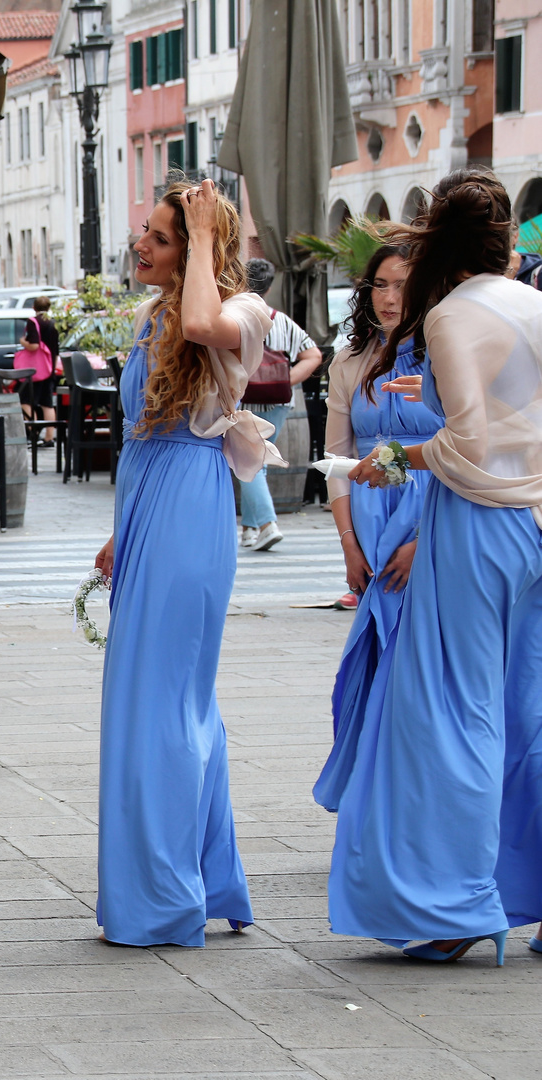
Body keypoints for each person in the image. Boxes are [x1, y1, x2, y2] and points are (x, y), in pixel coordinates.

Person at [330, 168, 542, 964]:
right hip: (536, 522)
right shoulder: (534, 303)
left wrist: (395, 455)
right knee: (527, 711)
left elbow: (465, 446)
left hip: (479, 523)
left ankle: (455, 907)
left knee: (454, 714)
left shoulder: (453, 316)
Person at [92, 179, 276, 946]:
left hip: (193, 506)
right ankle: (196, 877)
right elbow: (139, 434)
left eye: (160, 238)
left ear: (201, 247)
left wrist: (202, 237)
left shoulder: (241, 313)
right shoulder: (149, 314)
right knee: (158, 699)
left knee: (164, 700)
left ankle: (166, 896)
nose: (142, 244)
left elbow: (205, 322)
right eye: (148, 231)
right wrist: (117, 531)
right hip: (147, 505)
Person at [311, 237, 443, 812]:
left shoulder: (445, 352)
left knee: (418, 666)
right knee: (371, 658)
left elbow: (465, 448)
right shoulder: (350, 359)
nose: (390, 297)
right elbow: (336, 459)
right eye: (380, 284)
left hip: (434, 512)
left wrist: (430, 539)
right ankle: (374, 795)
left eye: (403, 284)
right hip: (368, 519)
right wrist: (347, 545)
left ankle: (414, 800)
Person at [236, 258, 323, 551]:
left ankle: (267, 524)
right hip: (279, 403)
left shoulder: (234, 316)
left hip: (244, 402)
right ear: (270, 285)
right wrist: (287, 380)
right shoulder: (281, 319)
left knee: (249, 462)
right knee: (256, 461)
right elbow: (313, 356)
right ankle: (249, 529)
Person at [20, 295, 61, 445]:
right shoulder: (53, 324)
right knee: (47, 403)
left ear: (34, 307)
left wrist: (23, 342)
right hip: (49, 368)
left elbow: (34, 345)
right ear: (48, 307)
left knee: (25, 401)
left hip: (35, 370)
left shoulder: (33, 322)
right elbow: (55, 350)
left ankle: (34, 431)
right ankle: (49, 437)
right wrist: (53, 368)